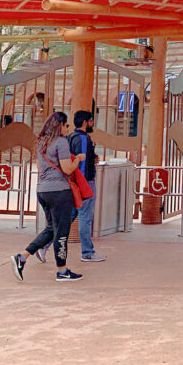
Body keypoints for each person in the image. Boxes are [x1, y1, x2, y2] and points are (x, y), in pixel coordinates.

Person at [11, 112, 84, 282]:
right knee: (62, 233)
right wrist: (78, 159)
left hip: (43, 191)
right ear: (60, 126)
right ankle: (62, 271)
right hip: (59, 192)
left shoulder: (41, 143)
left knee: (52, 229)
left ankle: (22, 258)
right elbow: (67, 169)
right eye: (66, 125)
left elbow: (41, 167)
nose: (68, 129)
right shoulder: (61, 142)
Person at [68, 110, 105, 263]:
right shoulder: (83, 138)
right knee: (85, 217)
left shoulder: (70, 137)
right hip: (83, 183)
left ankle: (43, 245)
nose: (92, 124)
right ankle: (87, 252)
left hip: (73, 182)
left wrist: (92, 159)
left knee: (68, 217)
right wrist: (83, 186)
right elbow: (81, 162)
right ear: (85, 122)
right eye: (90, 121)